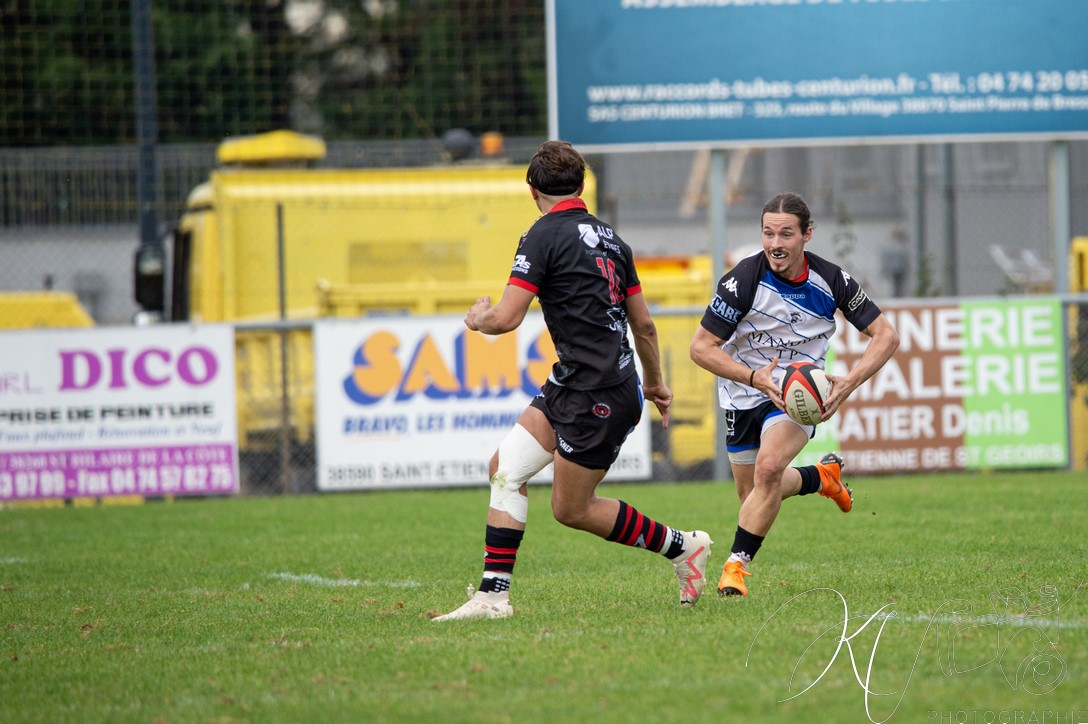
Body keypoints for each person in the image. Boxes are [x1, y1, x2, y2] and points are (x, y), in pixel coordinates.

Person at [434, 141, 712, 621]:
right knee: (504, 469)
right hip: (579, 382)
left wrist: (479, 319)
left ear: (532, 191)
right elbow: (644, 326)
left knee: (571, 509)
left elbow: (507, 318)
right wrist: (654, 383)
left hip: (597, 392)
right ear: (582, 185)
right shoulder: (613, 240)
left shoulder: (540, 235)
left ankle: (683, 547)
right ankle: (492, 598)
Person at [689, 192, 899, 598]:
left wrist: (849, 383)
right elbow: (700, 349)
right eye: (768, 233)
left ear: (807, 235)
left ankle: (735, 567)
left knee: (768, 470)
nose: (775, 244)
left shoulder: (831, 280)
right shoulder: (741, 281)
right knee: (753, 493)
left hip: (797, 395)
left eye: (786, 234)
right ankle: (820, 477)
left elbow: (886, 336)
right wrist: (754, 377)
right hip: (742, 391)